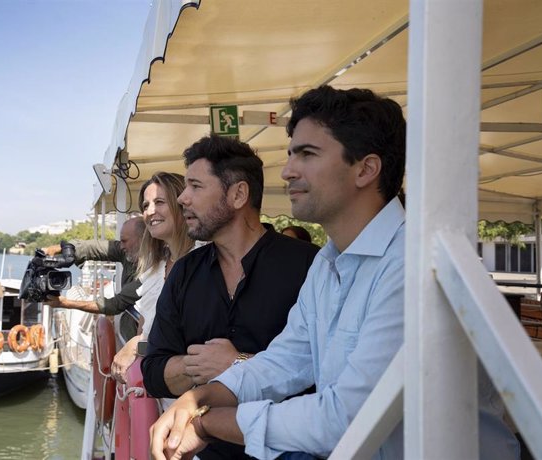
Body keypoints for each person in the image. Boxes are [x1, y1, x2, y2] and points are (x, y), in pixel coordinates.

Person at [149, 86, 520, 460]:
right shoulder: (327, 264)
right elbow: (285, 360)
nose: (288, 170)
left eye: (307, 154)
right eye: (292, 153)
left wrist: (204, 423)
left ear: (365, 169)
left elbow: (345, 417)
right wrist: (200, 397)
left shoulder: (416, 262)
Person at [142, 135, 319, 459]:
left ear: (238, 194)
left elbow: (328, 379)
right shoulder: (184, 273)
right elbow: (153, 374)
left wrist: (237, 364)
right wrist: (200, 367)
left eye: (195, 186)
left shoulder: (311, 265)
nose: (182, 198)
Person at [110, 172, 195, 383]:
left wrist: (136, 345)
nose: (150, 211)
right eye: (145, 205)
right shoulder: (155, 270)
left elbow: (188, 341)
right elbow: (145, 327)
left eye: (159, 202)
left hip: (194, 397)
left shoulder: (204, 261)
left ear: (181, 203)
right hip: (159, 392)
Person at [44, 216, 146, 339]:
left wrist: (66, 303)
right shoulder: (127, 251)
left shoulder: (151, 270)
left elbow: (116, 304)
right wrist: (63, 248)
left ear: (142, 240)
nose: (121, 246)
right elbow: (95, 248)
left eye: (124, 241)